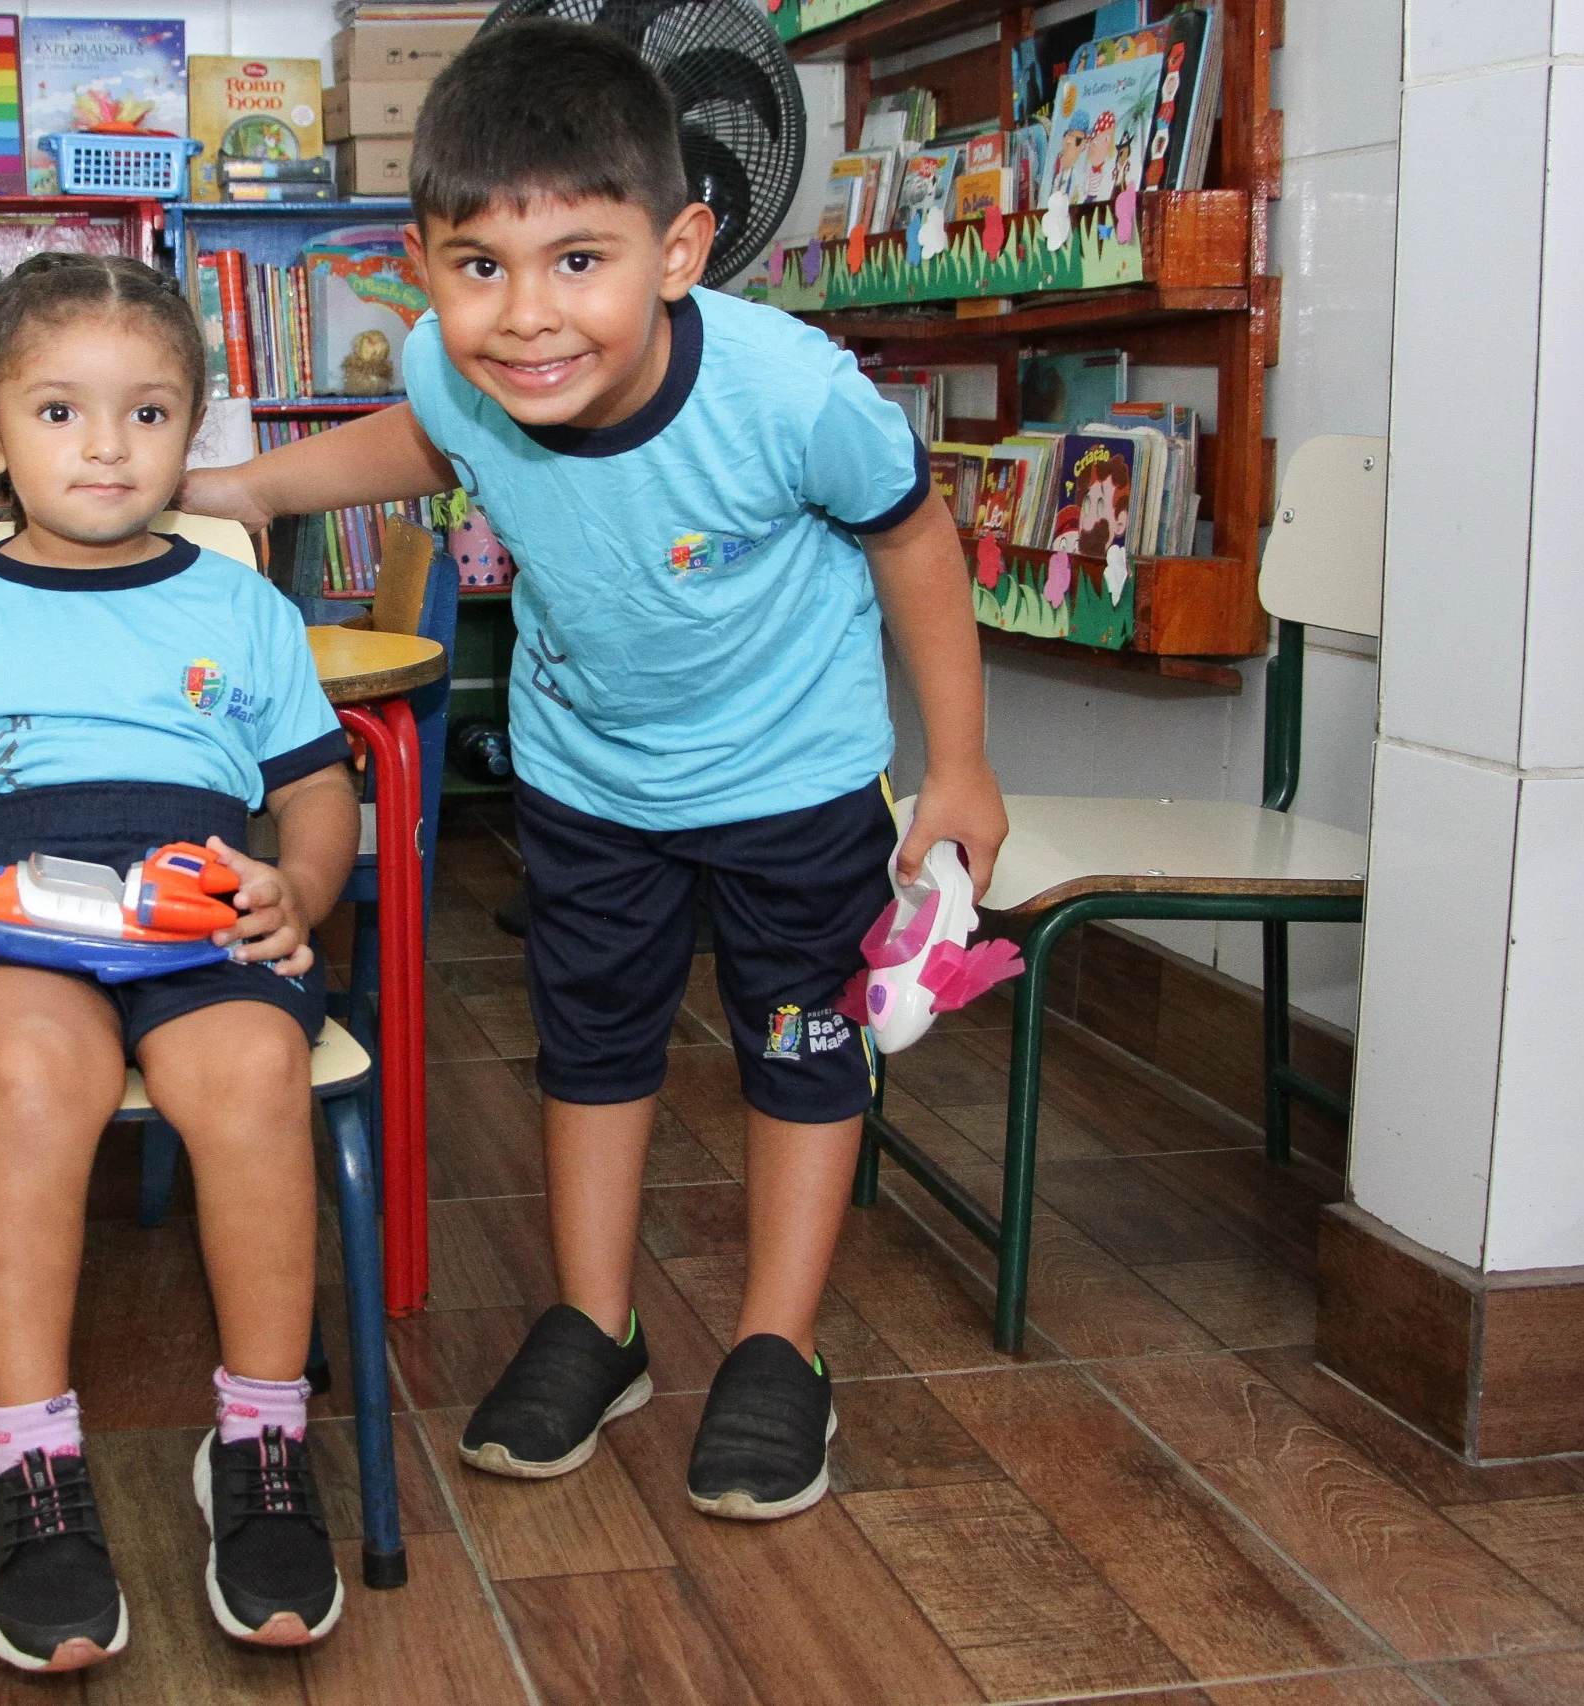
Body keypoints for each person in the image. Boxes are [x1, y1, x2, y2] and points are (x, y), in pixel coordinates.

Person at [181, 20, 1009, 1521]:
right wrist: (240, 485)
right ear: (420, 267)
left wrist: (956, 766)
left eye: (580, 259)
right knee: (592, 1042)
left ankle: (777, 1345)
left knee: (803, 1049)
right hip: (591, 782)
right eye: (478, 266)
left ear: (680, 246)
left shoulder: (792, 392)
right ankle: (593, 1318)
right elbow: (420, 439)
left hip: (795, 778)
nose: (526, 318)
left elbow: (913, 539)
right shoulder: (461, 369)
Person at [0, 253, 359, 1672]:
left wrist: (298, 883)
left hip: (198, 912)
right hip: (14, 924)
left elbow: (316, 787)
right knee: (29, 1070)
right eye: (61, 412)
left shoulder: (240, 605)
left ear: (196, 430)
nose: (109, 445)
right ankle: (35, 1467)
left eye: (149, 411)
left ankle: (258, 1441)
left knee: (254, 1072)